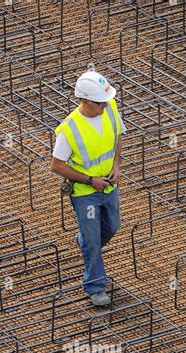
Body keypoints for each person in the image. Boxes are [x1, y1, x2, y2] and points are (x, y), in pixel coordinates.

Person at [51, 70, 126, 306]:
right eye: (99, 103)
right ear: (84, 100)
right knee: (94, 241)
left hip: (109, 185)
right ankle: (95, 286)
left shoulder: (110, 107)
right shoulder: (69, 129)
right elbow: (56, 165)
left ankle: (84, 242)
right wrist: (89, 180)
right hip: (86, 194)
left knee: (112, 227)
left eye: (105, 101)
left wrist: (116, 164)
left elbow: (118, 136)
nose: (104, 106)